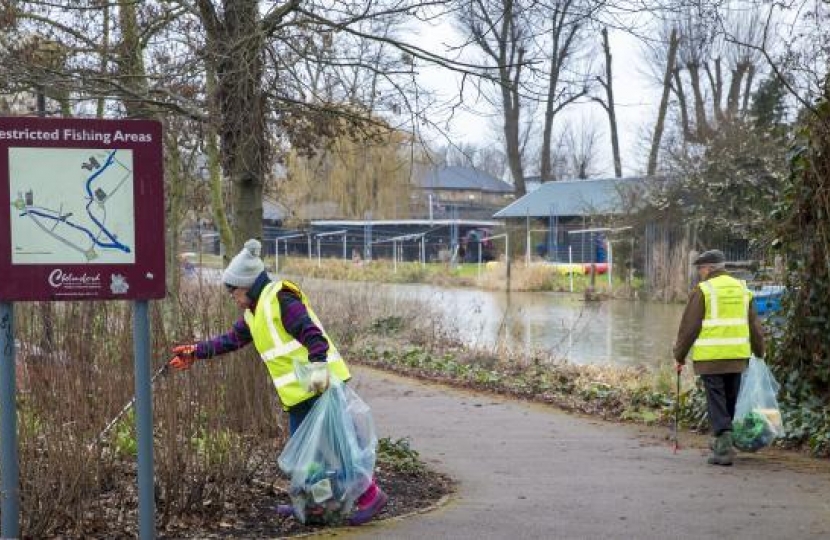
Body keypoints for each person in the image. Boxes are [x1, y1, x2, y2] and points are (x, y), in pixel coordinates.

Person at [169, 238, 388, 524]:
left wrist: (319, 387)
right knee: (308, 456)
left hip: (320, 387)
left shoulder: (282, 300)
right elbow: (231, 340)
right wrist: (195, 352)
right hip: (298, 395)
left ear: (248, 285)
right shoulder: (253, 314)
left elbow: (314, 338)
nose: (233, 298)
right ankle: (317, 505)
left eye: (234, 292)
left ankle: (370, 496)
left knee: (336, 448)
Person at [673, 249, 765, 466]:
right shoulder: (742, 289)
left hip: (711, 358)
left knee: (716, 401)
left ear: (708, 269)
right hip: (737, 357)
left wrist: (679, 355)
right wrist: (760, 351)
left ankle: (723, 448)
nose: (700, 274)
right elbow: (754, 325)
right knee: (730, 399)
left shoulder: (704, 290)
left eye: (700, 270)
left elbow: (689, 327)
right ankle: (722, 440)